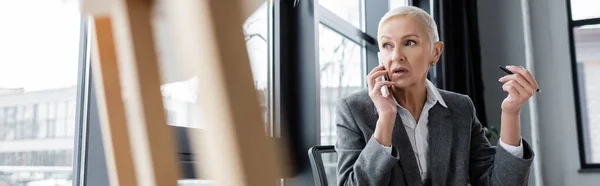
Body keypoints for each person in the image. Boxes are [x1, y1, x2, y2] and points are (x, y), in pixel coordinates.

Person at [335, 6, 537, 186]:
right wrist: (385, 120)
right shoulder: (354, 109)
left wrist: (511, 113)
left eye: (410, 42)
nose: (396, 55)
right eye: (387, 45)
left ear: (436, 52)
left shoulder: (460, 107)